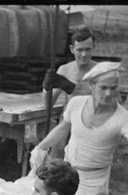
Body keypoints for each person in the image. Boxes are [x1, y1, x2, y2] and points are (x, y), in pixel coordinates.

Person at [30, 62, 128, 195]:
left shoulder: (123, 118)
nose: (108, 93)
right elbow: (63, 128)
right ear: (91, 85)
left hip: (94, 187)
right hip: (67, 177)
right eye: (103, 88)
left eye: (113, 88)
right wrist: (41, 148)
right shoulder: (76, 103)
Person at [41, 28, 98, 160]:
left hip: (90, 126)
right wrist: (46, 88)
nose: (84, 54)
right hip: (67, 125)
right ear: (72, 49)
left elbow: (114, 102)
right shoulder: (64, 70)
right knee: (56, 166)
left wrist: (77, 89)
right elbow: (48, 106)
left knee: (83, 166)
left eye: (88, 49)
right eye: (79, 50)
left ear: (93, 48)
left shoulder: (99, 71)